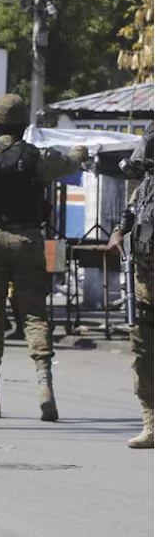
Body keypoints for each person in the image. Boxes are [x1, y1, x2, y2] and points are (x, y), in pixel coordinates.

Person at [0, 94, 86, 421]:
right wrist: (79, 152)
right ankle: (45, 389)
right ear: (24, 123)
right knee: (35, 314)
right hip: (29, 239)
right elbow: (69, 163)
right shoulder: (37, 157)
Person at [108, 129, 155, 448]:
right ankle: (151, 424)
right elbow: (131, 213)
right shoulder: (148, 184)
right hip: (145, 286)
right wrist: (117, 232)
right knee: (144, 353)